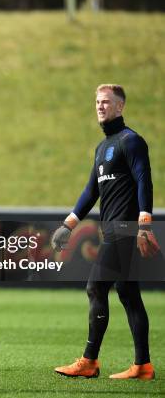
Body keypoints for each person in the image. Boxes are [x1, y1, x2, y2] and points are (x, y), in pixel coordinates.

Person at [51, 84, 160, 380]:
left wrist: (144, 225)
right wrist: (68, 225)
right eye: (97, 102)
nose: (100, 106)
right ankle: (143, 366)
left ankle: (89, 361)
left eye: (106, 102)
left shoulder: (131, 141)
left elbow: (144, 182)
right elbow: (91, 192)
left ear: (120, 107)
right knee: (127, 293)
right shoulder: (102, 147)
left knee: (96, 287)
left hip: (124, 230)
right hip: (113, 229)